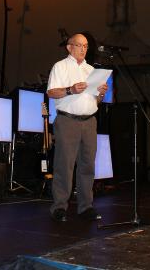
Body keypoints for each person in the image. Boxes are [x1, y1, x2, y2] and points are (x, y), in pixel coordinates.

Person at [47, 33, 108, 222]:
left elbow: (96, 101)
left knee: (87, 166)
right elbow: (50, 92)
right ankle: (59, 208)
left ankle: (85, 207)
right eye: (79, 45)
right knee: (64, 166)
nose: (83, 49)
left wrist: (101, 94)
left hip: (89, 121)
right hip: (68, 121)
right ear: (69, 47)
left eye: (86, 46)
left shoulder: (92, 70)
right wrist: (70, 90)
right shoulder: (60, 66)